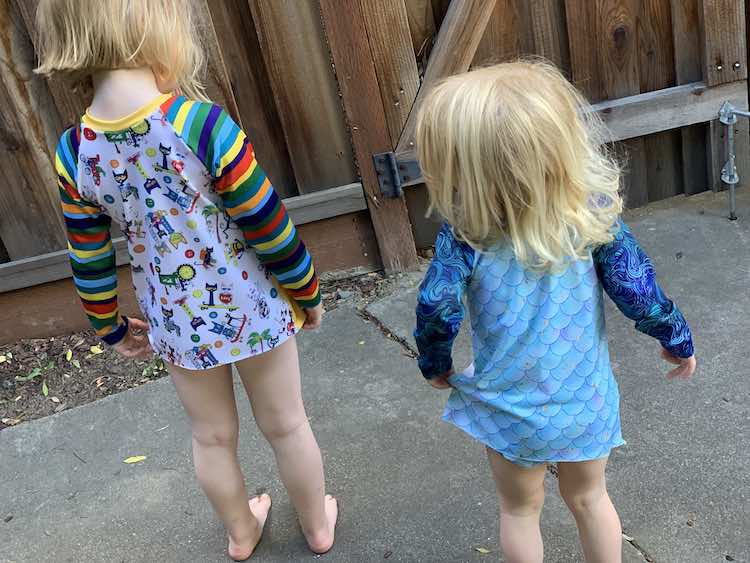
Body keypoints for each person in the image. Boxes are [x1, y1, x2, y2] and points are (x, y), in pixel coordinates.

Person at [36, 0, 337, 559]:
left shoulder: (76, 152)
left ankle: (242, 532)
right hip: (254, 310)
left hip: (176, 325)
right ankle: (318, 526)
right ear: (158, 24)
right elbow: (268, 224)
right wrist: (308, 291)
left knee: (211, 437)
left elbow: (90, 257)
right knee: (288, 425)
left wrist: (108, 326)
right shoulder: (200, 125)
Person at [413, 61, 696, 563]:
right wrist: (676, 338)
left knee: (519, 510)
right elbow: (638, 289)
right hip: (584, 401)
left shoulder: (466, 235)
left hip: (510, 409)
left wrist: (436, 364)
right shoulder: (592, 216)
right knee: (590, 499)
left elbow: (437, 305)